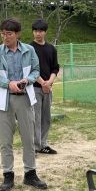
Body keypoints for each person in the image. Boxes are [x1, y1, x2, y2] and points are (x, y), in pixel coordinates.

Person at [0, 18, 47, 191]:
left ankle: (30, 173)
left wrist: (27, 80)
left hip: (24, 99)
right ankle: (8, 174)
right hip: (4, 100)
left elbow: (36, 70)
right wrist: (9, 84)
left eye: (9, 34)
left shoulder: (29, 50)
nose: (5, 37)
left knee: (28, 138)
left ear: (17, 34)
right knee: (5, 140)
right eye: (3, 34)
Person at [29, 19, 60, 155]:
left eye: (40, 31)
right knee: (35, 118)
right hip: (34, 87)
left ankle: (43, 144)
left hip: (48, 88)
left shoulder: (51, 49)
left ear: (45, 32)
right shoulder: (29, 48)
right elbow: (29, 69)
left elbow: (55, 68)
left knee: (46, 117)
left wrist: (49, 82)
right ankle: (35, 146)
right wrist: (43, 83)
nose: (38, 33)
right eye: (35, 31)